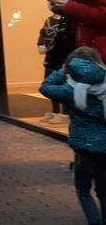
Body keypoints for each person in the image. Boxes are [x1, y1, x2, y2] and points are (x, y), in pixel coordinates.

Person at [40, 46, 106, 225]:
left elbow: (45, 87)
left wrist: (62, 71)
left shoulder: (70, 90)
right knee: (103, 189)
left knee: (83, 189)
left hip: (84, 148)